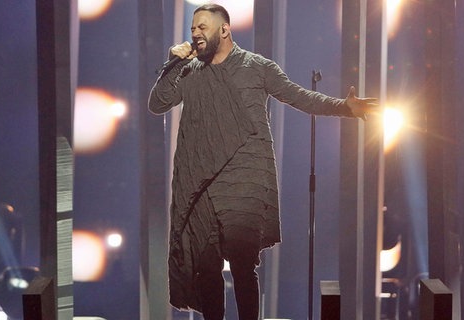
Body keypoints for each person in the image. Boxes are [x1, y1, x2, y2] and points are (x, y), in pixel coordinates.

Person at [148, 4, 377, 320]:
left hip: (245, 178)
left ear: (224, 29)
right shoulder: (188, 72)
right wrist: (172, 65)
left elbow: (299, 96)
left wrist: (344, 107)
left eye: (202, 27)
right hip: (201, 182)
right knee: (206, 267)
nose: (196, 34)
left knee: (242, 264)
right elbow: (158, 104)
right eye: (192, 29)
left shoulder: (257, 67)